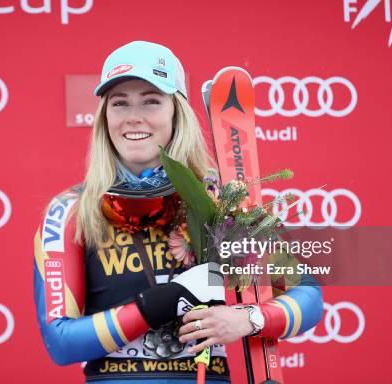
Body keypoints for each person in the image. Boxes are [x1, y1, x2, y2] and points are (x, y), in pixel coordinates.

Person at [34, 40, 323, 383]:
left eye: (151, 101)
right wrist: (158, 304)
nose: (133, 117)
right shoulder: (70, 211)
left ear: (177, 112)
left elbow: (308, 297)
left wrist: (247, 319)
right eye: (120, 103)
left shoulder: (219, 200)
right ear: (104, 117)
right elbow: (60, 342)